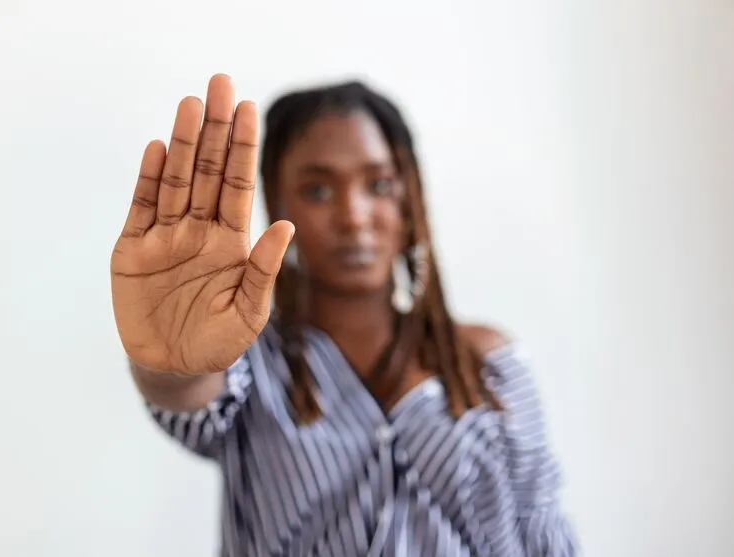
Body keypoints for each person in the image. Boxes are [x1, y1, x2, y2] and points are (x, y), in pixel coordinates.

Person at [110, 73, 577, 556]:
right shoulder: (252, 365)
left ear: (409, 199)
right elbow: (187, 389)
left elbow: (542, 529)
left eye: (378, 184)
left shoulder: (488, 364)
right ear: (278, 203)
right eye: (317, 191)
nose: (354, 215)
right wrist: (169, 362)